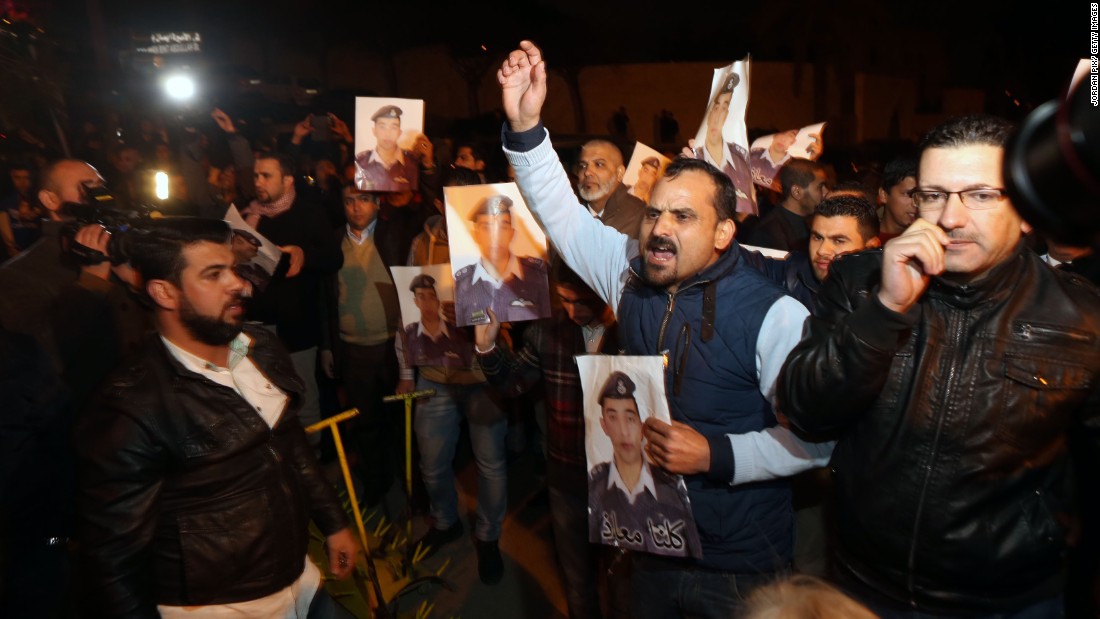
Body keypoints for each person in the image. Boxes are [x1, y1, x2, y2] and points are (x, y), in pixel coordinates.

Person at [497, 40, 832, 617]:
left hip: (740, 568)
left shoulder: (774, 314)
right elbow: (563, 215)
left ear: (724, 233)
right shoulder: (628, 276)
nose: (659, 228)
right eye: (654, 211)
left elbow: (818, 442)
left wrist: (716, 456)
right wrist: (526, 126)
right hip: (651, 549)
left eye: (683, 216)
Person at [778, 114, 1100, 617]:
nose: (951, 217)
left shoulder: (1082, 318)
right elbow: (805, 410)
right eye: (934, 195)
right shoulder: (860, 280)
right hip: (862, 587)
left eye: (980, 195)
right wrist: (885, 309)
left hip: (1009, 602)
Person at [75, 217, 358, 617]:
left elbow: (289, 443)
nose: (240, 284)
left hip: (302, 583)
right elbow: (113, 560)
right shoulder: (131, 409)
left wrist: (333, 522)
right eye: (213, 274)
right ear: (164, 292)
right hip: (221, 608)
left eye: (234, 270)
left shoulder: (261, 348)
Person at [475, 262, 629, 619]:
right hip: (567, 473)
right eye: (564, 300)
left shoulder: (629, 329)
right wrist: (486, 348)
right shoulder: (548, 330)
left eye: (584, 302)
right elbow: (514, 383)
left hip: (622, 477)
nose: (574, 311)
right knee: (577, 580)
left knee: (624, 583)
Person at [242, 152, 343, 442]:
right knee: (263, 401)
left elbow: (333, 258)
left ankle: (313, 468)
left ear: (287, 180)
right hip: (255, 325)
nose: (258, 181)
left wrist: (304, 254)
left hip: (296, 328)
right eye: (256, 175)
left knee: (304, 401)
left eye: (266, 175)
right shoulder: (249, 215)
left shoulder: (309, 213)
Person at [587, 371, 701, 558]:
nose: (624, 431)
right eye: (613, 418)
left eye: (630, 418)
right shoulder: (596, 486)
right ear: (604, 425)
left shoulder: (672, 488)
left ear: (642, 424)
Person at [453, 193, 550, 325]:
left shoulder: (539, 276)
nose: (495, 236)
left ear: (512, 233)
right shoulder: (461, 286)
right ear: (476, 235)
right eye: (486, 228)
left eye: (502, 227)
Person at [692, 72, 756, 216]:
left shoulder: (741, 161)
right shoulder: (693, 161)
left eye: (724, 109)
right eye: (715, 108)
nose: (717, 116)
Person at [746, 158, 828, 251]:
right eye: (820, 187)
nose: (826, 192)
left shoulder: (813, 223)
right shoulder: (767, 234)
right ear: (797, 192)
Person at [576, 140, 645, 236]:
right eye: (582, 166)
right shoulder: (567, 213)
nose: (587, 172)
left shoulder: (640, 216)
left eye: (599, 164)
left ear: (619, 173)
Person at [401, 273, 471, 367]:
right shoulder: (409, 336)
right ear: (416, 302)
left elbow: (471, 370)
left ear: (438, 302)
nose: (427, 303)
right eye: (421, 297)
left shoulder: (459, 334)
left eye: (432, 297)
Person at [354, 105, 420, 193]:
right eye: (382, 127)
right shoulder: (361, 162)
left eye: (394, 127)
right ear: (374, 131)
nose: (387, 134)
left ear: (399, 133)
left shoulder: (412, 163)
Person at [877, 157, 918, 242]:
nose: (916, 203)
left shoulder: (928, 240)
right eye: (909, 194)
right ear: (884, 195)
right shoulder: (863, 241)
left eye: (922, 195)